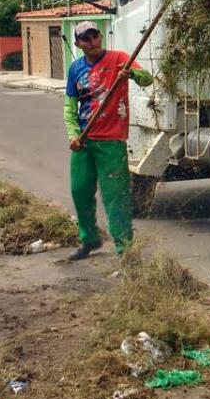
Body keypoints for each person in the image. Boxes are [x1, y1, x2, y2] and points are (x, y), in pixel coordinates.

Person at [63, 21, 153, 261]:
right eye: (85, 39)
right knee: (79, 191)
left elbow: (147, 79)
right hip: (84, 141)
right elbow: (70, 106)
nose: (91, 42)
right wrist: (73, 135)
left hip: (112, 141)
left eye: (94, 36)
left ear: (100, 37)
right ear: (78, 44)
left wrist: (131, 73)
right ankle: (89, 239)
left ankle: (125, 249)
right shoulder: (75, 69)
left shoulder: (119, 59)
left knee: (116, 196)